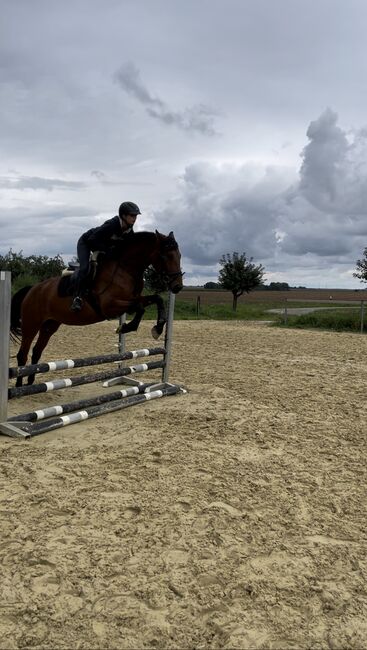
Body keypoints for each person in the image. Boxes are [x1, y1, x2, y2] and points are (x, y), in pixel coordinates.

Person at [70, 201, 141, 311]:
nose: (134, 218)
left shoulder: (129, 230)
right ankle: (77, 298)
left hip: (101, 247)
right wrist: (108, 251)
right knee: (85, 268)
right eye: (132, 215)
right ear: (123, 215)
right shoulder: (112, 225)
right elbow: (92, 239)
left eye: (135, 216)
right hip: (87, 243)